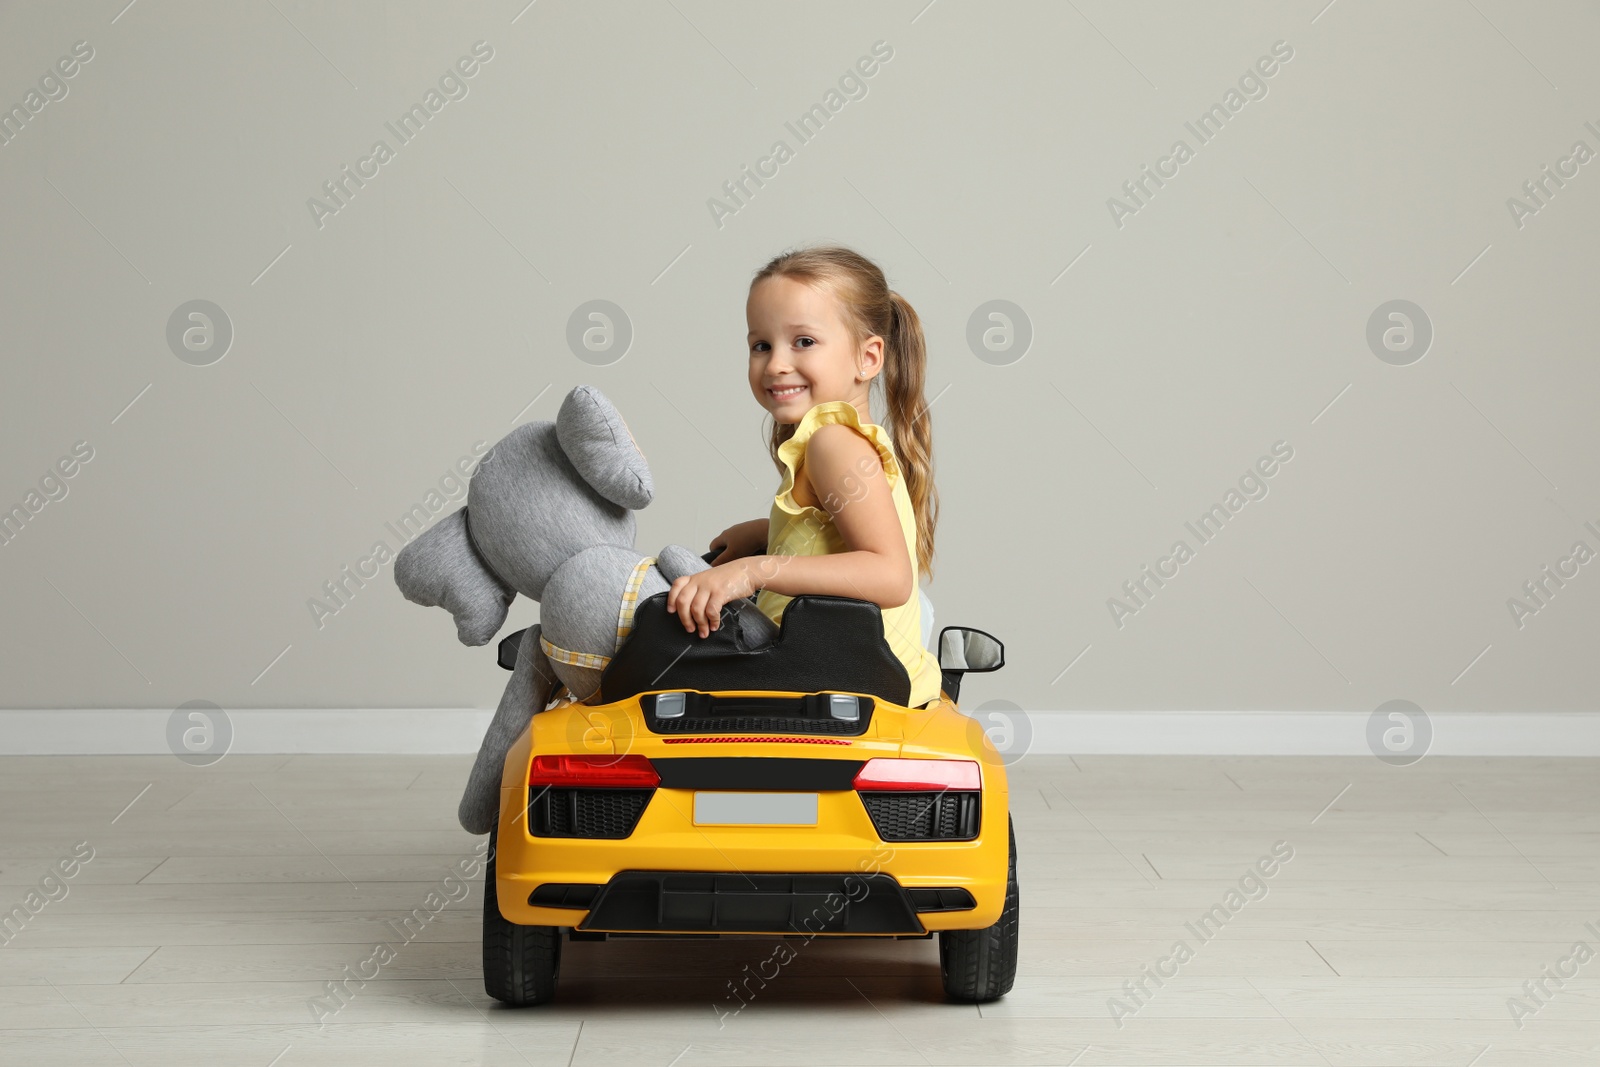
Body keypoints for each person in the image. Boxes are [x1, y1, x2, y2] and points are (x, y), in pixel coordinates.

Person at [664, 245, 944, 707]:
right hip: (840, 669)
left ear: (868, 358)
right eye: (761, 345)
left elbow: (890, 575)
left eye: (804, 342)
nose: (775, 363)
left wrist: (752, 571)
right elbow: (830, 533)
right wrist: (762, 533)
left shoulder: (832, 443)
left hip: (841, 683)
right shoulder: (843, 438)